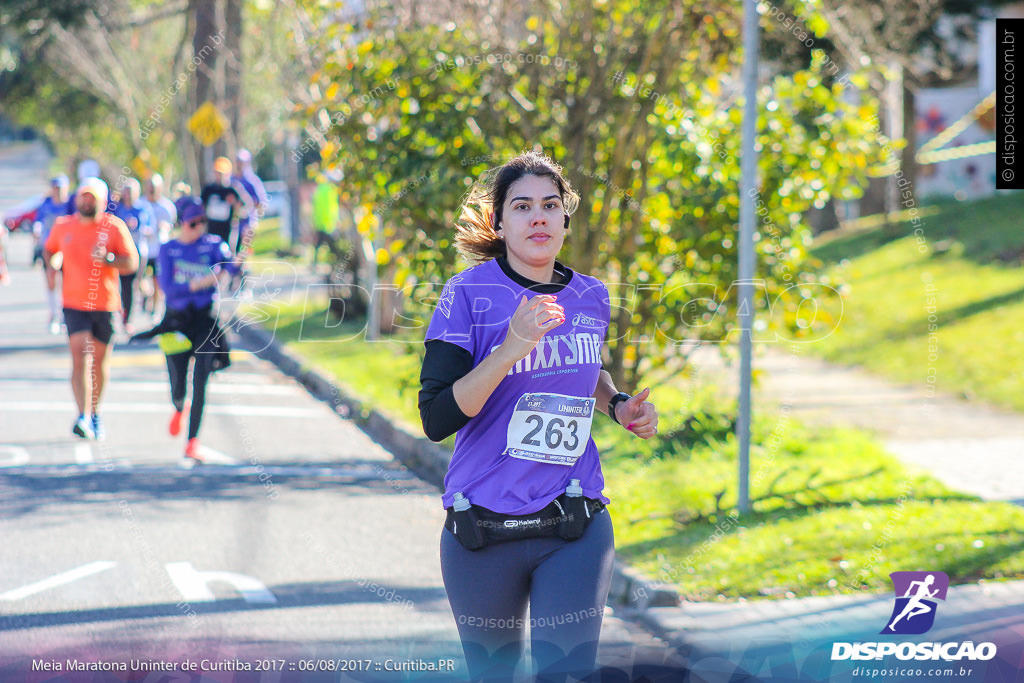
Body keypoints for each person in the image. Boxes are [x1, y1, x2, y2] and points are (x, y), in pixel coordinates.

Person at [418, 151, 659, 682]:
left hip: (573, 522)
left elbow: (582, 367)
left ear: (565, 220)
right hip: (482, 526)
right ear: (500, 222)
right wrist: (510, 348)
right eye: (522, 206)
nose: (538, 217)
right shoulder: (467, 295)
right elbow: (436, 418)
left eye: (551, 206)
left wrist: (617, 404)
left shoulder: (590, 295)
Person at [132, 197, 237, 464]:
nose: (199, 227)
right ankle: (179, 406)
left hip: (205, 319)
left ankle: (192, 442)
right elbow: (169, 288)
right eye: (193, 223)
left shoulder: (213, 245)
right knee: (179, 385)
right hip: (176, 322)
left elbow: (229, 265)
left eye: (203, 222)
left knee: (200, 379)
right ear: (181, 224)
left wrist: (233, 264)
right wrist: (200, 283)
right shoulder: (168, 250)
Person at [43, 177, 139, 440]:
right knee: (79, 356)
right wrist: (51, 266)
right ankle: (82, 415)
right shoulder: (64, 226)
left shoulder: (114, 227)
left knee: (99, 362)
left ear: (103, 201)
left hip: (105, 304)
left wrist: (109, 259)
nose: (86, 201)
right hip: (74, 303)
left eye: (92, 197)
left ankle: (95, 413)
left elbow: (132, 263)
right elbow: (49, 249)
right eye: (83, 196)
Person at [110, 177, 153, 332]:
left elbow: (150, 228)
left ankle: (128, 317)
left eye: (130, 192)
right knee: (120, 285)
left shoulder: (143, 208)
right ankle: (121, 316)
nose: (127, 195)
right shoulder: (116, 208)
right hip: (119, 253)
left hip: (137, 253)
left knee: (132, 285)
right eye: (125, 191)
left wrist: (139, 227)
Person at [33, 175, 73, 333]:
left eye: (61, 187)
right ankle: (54, 313)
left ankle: (65, 313)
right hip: (50, 247)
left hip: (68, 247)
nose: (58, 191)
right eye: (55, 187)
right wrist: (37, 229)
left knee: (67, 281)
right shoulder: (46, 204)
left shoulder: (70, 204)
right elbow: (39, 220)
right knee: (51, 278)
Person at [137, 173, 178, 319]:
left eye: (154, 187)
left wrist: (166, 227)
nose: (151, 189)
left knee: (157, 281)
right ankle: (145, 293)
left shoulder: (167, 206)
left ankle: (155, 310)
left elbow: (172, 226)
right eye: (149, 186)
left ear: (160, 188)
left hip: (160, 249)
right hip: (142, 249)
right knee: (139, 279)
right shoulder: (140, 204)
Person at [232, 148, 268, 255]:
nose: (239, 164)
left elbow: (262, 202)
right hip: (232, 220)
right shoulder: (231, 179)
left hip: (247, 220)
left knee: (242, 245)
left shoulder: (252, 181)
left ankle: (242, 266)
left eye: (241, 162)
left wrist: (249, 204)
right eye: (237, 161)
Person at [201, 157, 242, 247]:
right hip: (211, 227)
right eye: (217, 173)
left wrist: (234, 202)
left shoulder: (232, 189)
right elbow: (202, 206)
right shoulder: (209, 189)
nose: (219, 175)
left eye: (222, 173)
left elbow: (242, 207)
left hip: (227, 229)